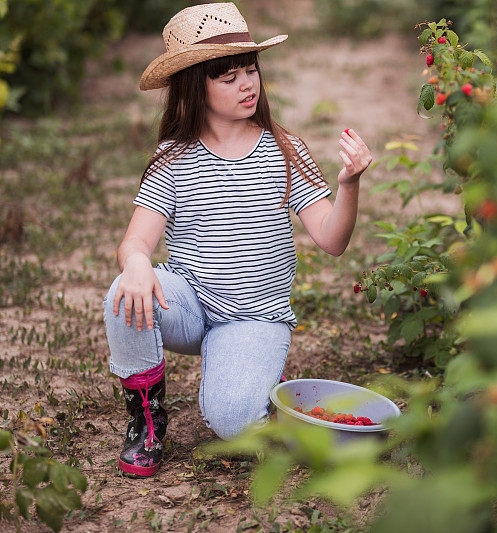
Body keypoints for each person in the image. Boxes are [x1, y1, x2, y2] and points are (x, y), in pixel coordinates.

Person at [102, 2, 371, 478]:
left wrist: (348, 184)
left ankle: (256, 376)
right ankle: (146, 418)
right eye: (228, 77)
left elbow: (332, 240)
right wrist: (137, 263)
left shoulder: (284, 149)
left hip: (253, 317)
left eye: (251, 70)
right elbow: (135, 241)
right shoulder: (174, 157)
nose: (247, 84)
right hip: (190, 303)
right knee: (123, 295)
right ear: (195, 86)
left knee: (233, 424)